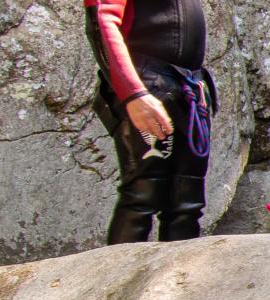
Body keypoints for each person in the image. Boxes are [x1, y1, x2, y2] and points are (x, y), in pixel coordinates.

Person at [85, 0, 217, 244]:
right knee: (143, 195)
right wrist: (133, 94)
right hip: (146, 84)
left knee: (186, 201)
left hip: (188, 86)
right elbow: (102, 20)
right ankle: (121, 270)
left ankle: (181, 270)